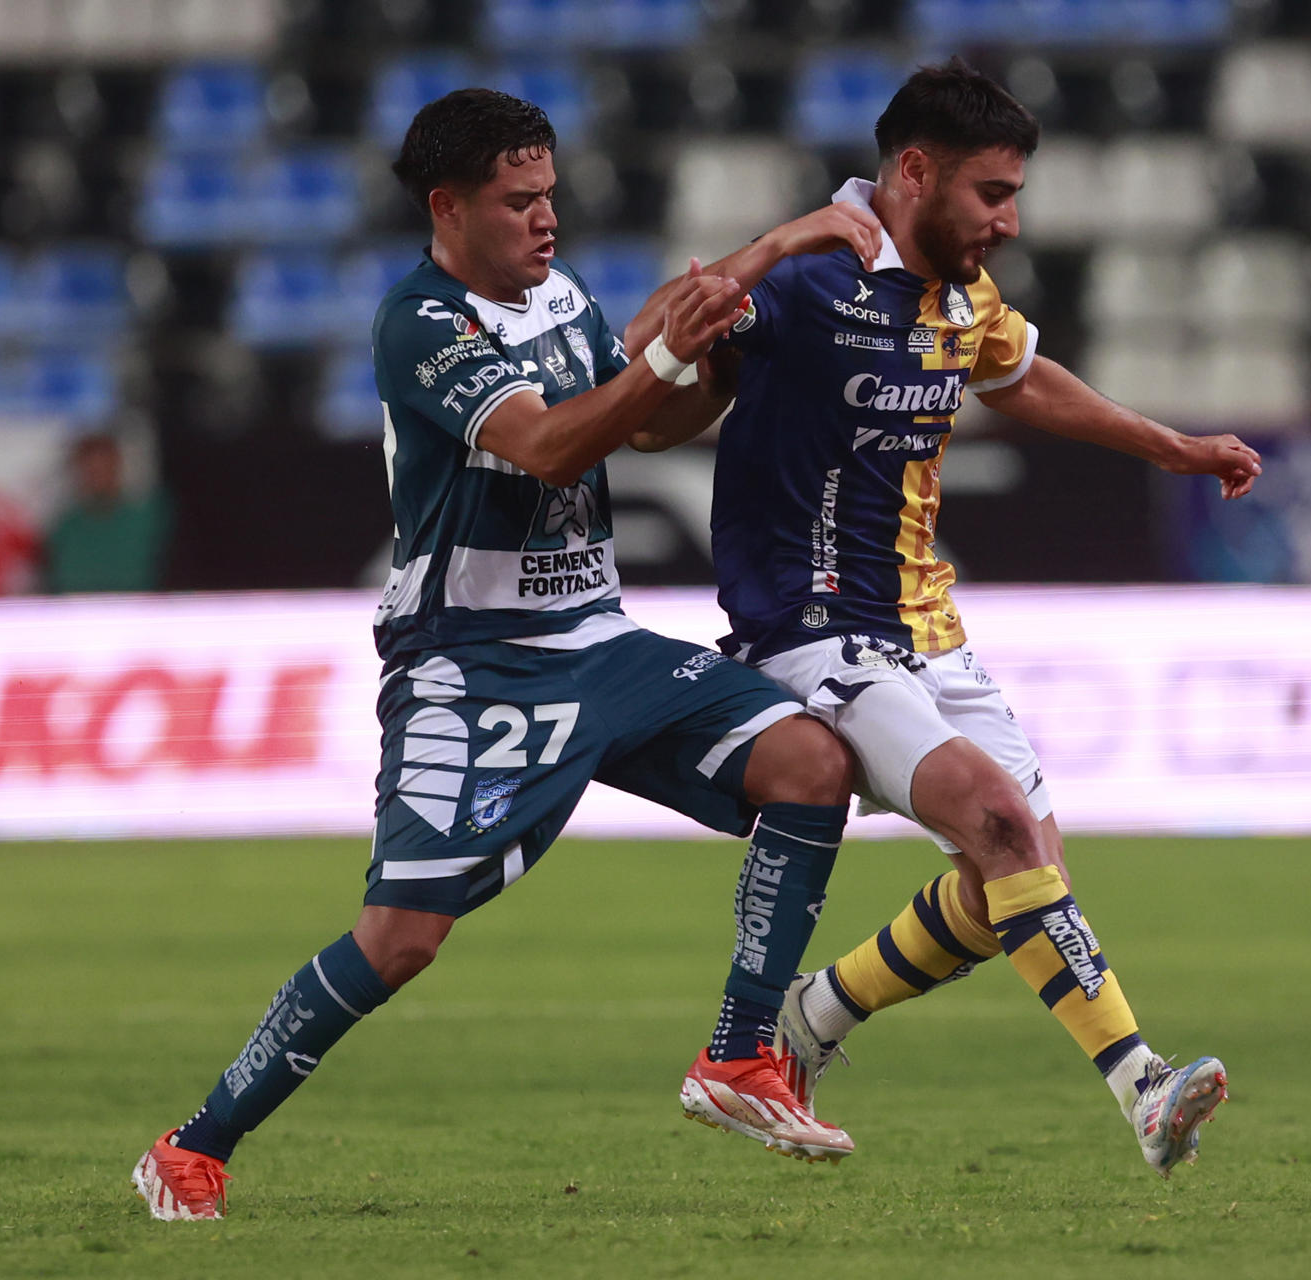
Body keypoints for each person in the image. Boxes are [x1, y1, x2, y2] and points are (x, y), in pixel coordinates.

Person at [131, 88, 886, 1221]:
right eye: (518, 200)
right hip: (473, 658)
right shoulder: (421, 323)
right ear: (449, 207)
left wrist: (721, 346)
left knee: (811, 765)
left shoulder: (562, 296)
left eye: (549, 195)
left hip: (596, 639)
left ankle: (737, 1054)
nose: (546, 218)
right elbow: (545, 444)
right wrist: (673, 352)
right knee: (402, 939)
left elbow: (640, 419)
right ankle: (194, 1142)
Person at [625, 60, 1263, 1177]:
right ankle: (1145, 1089)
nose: (1008, 220)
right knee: (1006, 828)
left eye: (1015, 194)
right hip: (810, 628)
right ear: (913, 172)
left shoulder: (962, 298)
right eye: (990, 193)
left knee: (1015, 881)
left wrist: (1179, 446)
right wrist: (771, 245)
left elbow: (1027, 378)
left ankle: (812, 1019)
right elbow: (642, 358)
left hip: (929, 628)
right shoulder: (815, 276)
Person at [42, 432, 170, 593]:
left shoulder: (147, 520)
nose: (98, 476)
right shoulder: (65, 528)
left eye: (104, 467)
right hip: (77, 612)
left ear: (117, 466)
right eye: (91, 470)